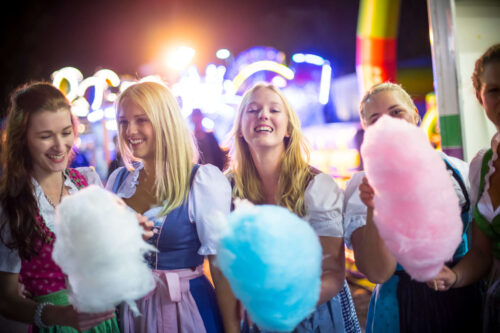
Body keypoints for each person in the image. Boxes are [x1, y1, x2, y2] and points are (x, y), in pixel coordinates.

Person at [343, 82, 482, 332]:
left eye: (397, 112)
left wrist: (457, 276)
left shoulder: (459, 171)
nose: (388, 124)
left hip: (465, 297)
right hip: (399, 308)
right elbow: (377, 273)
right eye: (375, 119)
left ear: (415, 116)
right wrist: (376, 208)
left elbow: (481, 249)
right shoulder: (361, 187)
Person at [227, 82, 360, 333]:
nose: (263, 114)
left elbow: (333, 273)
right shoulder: (226, 187)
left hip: (313, 313)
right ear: (241, 130)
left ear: (288, 129)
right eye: (252, 109)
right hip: (254, 316)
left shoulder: (316, 186)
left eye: (274, 110)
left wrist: (283, 307)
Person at [105, 81, 237, 333]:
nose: (130, 131)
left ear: (165, 121)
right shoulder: (118, 180)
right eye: (123, 122)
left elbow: (221, 269)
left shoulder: (202, 181)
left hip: (183, 310)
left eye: (141, 120)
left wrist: (232, 330)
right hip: (129, 311)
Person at [0, 82, 118, 332]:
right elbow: (6, 300)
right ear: (22, 140)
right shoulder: (12, 204)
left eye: (66, 132)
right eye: (45, 136)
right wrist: (59, 316)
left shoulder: (88, 182)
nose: (60, 145)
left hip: (105, 322)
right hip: (55, 326)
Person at [431, 43, 500, 332]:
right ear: (479, 97)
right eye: (494, 90)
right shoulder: (483, 165)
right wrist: (454, 276)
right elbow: (483, 254)